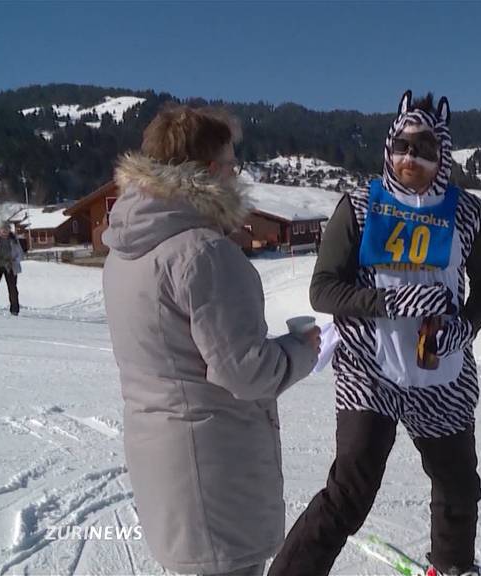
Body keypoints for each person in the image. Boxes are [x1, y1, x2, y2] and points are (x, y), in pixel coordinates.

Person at [269, 92, 481, 576]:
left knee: (458, 488)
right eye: (401, 145)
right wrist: (387, 303)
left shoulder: (468, 215)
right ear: (387, 146)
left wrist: (464, 328)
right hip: (369, 370)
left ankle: (453, 568)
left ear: (443, 156)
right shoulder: (359, 207)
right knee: (350, 493)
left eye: (424, 148)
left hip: (442, 373)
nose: (409, 157)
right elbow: (323, 290)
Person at [102, 106, 321, 576]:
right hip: (214, 476)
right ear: (208, 172)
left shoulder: (126, 248)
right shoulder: (202, 252)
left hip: (165, 465)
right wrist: (303, 349)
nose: (236, 174)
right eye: (231, 162)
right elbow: (245, 371)